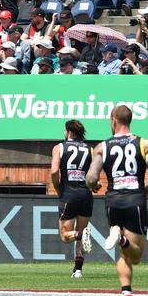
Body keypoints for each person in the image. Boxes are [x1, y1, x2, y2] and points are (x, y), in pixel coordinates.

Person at [87, 104, 148, 296]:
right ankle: (121, 238)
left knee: (124, 254)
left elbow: (90, 178)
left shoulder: (102, 147)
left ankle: (126, 292)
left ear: (113, 121)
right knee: (136, 256)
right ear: (129, 120)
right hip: (135, 200)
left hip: (113, 201)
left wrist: (94, 186)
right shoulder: (143, 143)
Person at [52, 119, 95, 279]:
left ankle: (80, 235)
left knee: (65, 235)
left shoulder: (59, 147)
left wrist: (58, 188)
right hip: (85, 196)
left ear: (69, 132)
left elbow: (54, 171)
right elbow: (93, 176)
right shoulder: (90, 149)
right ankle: (78, 270)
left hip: (68, 195)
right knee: (82, 232)